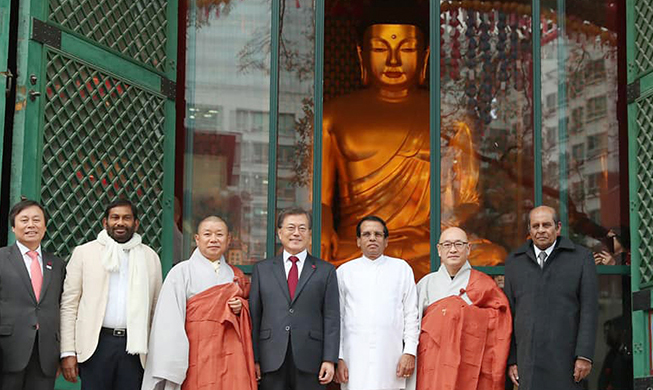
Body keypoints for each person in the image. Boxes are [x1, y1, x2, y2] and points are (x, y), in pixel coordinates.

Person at [320, 1, 506, 279]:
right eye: (381, 48)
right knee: (317, 253)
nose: (393, 60)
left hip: (424, 242)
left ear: (425, 56)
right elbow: (319, 200)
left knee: (493, 256)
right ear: (362, 55)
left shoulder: (449, 117)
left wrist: (448, 222)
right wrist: (323, 228)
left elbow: (469, 198)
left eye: (406, 49)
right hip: (359, 243)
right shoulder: (333, 115)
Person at [141, 216, 256, 390]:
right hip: (194, 351)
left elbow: (250, 313)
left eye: (219, 234)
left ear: (229, 239)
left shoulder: (237, 276)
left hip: (229, 353)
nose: (213, 239)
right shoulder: (181, 272)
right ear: (197, 238)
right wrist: (173, 362)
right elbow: (168, 322)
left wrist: (242, 308)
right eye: (207, 234)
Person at [60, 199, 163, 389]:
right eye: (115, 217)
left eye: (127, 218)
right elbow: (69, 305)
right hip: (96, 345)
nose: (120, 222)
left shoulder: (150, 258)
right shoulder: (84, 253)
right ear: (105, 222)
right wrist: (68, 351)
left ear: (136, 223)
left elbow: (157, 310)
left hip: (135, 348)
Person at [504, 206, 599, 390]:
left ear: (558, 227)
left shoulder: (581, 258)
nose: (540, 230)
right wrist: (512, 359)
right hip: (527, 360)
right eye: (535, 226)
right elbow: (509, 314)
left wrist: (584, 355)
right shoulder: (514, 261)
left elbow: (589, 310)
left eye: (546, 225)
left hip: (566, 359)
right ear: (529, 230)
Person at [407, 227, 512, 390]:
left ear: (468, 249)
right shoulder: (426, 284)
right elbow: (412, 324)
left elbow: (500, 320)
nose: (453, 249)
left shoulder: (483, 284)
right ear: (439, 250)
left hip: (466, 362)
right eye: (447, 245)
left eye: (459, 244)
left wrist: (462, 312)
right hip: (432, 361)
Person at [250, 207, 340, 390]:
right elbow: (255, 316)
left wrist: (329, 359)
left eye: (302, 228)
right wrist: (255, 359)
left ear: (309, 234)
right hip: (271, 358)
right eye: (291, 228)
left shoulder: (325, 270)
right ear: (280, 233)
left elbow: (332, 318)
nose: (296, 233)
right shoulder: (262, 269)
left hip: (311, 358)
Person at [335, 216, 419, 390]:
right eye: (366, 234)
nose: (372, 238)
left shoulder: (402, 269)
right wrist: (339, 357)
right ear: (358, 241)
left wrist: (409, 351)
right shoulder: (344, 272)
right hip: (354, 360)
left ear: (386, 241)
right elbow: (338, 318)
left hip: (391, 358)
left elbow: (411, 314)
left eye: (377, 234)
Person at [0, 199, 66, 390]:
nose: (31, 225)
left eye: (37, 220)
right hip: (7, 351)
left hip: (45, 354)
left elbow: (61, 306)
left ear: (44, 227)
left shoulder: (57, 264)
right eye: (24, 220)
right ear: (13, 227)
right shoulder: (2, 259)